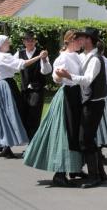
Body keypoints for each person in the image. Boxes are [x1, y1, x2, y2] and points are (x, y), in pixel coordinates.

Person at [23, 30, 86, 187]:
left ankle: (75, 168)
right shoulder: (63, 57)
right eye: (79, 41)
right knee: (65, 133)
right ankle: (59, 173)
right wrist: (59, 76)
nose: (82, 43)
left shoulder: (77, 56)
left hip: (76, 95)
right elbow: (56, 78)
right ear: (71, 40)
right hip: (67, 97)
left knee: (76, 131)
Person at [56, 27, 107, 188]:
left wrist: (68, 76)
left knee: (85, 139)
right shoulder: (83, 56)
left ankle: (95, 176)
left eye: (83, 38)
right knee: (86, 138)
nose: (80, 40)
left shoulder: (95, 59)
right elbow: (64, 60)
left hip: (93, 103)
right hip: (86, 101)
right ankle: (100, 173)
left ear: (90, 40)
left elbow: (87, 80)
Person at [0, 35, 47, 158]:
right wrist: (39, 57)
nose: (9, 44)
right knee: (12, 114)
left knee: (2, 116)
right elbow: (22, 64)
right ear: (0, 45)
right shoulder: (4, 56)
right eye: (6, 43)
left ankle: (5, 145)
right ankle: (7, 145)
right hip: (5, 86)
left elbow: (3, 70)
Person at [14, 32, 52, 140]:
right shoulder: (19, 53)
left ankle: (33, 143)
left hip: (37, 89)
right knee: (24, 115)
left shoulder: (41, 53)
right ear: (24, 42)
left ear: (35, 41)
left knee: (34, 115)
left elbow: (46, 71)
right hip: (25, 89)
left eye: (32, 40)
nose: (30, 42)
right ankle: (28, 142)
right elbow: (13, 66)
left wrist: (44, 60)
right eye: (27, 40)